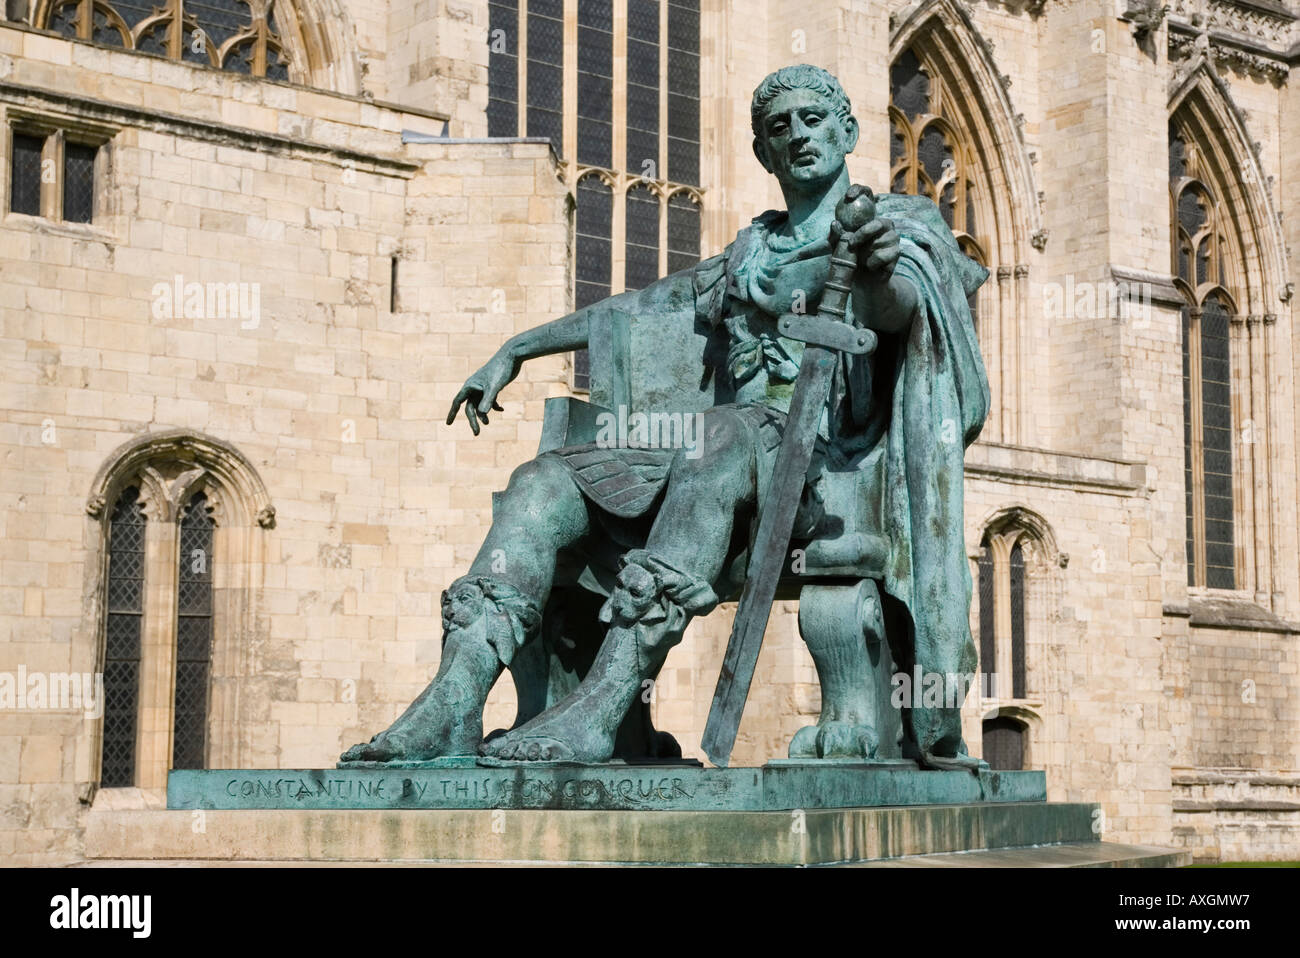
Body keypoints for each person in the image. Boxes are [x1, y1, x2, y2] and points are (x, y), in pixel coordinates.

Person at [342, 64, 989, 769]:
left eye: (812, 119)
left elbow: (898, 307)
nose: (798, 135)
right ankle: (453, 702)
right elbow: (636, 307)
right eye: (780, 128)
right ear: (763, 153)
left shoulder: (890, 228)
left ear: (848, 131)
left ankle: (604, 703)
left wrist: (874, 273)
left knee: (715, 438)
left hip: (821, 469)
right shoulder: (745, 256)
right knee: (542, 483)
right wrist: (517, 347)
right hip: (718, 454)